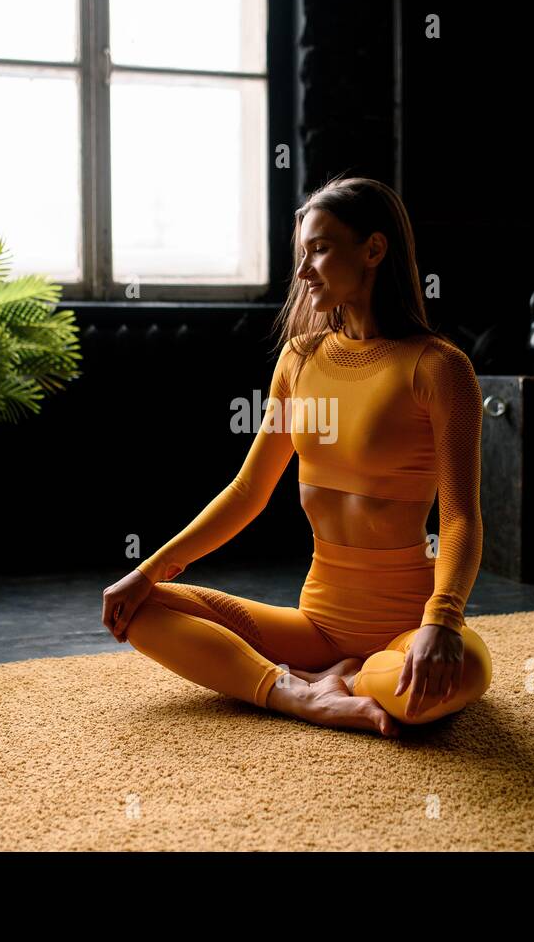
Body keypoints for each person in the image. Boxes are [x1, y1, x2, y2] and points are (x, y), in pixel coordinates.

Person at [100, 176, 491, 738]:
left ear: (374, 250)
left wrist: (443, 621)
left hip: (406, 625)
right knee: (136, 608)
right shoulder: (299, 360)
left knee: (465, 671)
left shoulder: (438, 368)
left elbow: (459, 517)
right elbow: (247, 492)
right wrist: (147, 570)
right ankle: (302, 694)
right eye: (302, 252)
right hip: (316, 624)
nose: (304, 270)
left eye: (321, 249)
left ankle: (347, 680)